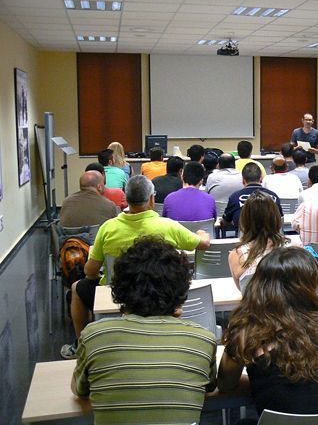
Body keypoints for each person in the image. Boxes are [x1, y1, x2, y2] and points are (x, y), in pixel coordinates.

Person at [61, 175, 211, 359]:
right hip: (161, 294)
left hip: (117, 294)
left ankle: (80, 344)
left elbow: (89, 272)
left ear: (127, 198)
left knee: (77, 287)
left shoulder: (108, 228)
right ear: (152, 199)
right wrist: (203, 233)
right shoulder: (168, 226)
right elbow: (203, 244)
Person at [218, 247, 318, 418]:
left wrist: (263, 385)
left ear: (259, 285)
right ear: (311, 286)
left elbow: (226, 385)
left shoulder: (245, 333)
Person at [72, 237, 216, 424]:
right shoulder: (203, 340)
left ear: (119, 288)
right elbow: (209, 387)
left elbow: (79, 390)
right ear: (181, 290)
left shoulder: (94, 336)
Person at [229, 191, 291, 293]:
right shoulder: (295, 249)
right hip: (290, 303)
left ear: (244, 220)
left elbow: (243, 291)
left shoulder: (237, 255)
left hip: (255, 303)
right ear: (276, 217)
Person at [222, 163, 282, 229]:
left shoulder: (234, 197)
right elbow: (280, 219)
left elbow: (225, 222)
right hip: (270, 234)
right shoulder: (273, 196)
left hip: (244, 235)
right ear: (261, 179)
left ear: (243, 180)